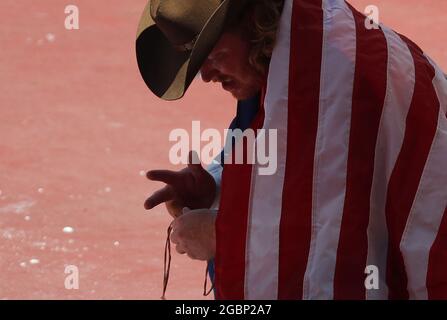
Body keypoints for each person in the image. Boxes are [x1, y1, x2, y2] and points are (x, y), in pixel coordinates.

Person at [136, 0, 447, 299]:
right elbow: (288, 176)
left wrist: (221, 235)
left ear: (253, 24)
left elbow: (328, 255)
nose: (205, 76)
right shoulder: (286, 60)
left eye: (213, 54)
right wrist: (216, 189)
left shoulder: (323, 84)